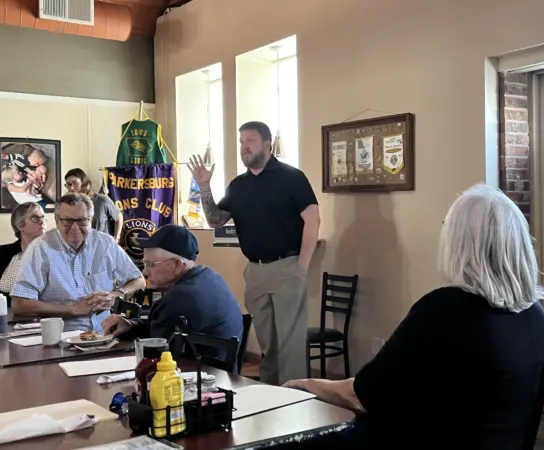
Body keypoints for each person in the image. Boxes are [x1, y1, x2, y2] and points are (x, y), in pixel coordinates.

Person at [281, 184, 544, 450]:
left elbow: (362, 396)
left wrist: (307, 385)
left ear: (459, 243)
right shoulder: (536, 319)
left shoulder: (444, 310)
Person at [189, 121, 320, 385]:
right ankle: (270, 396)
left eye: (250, 141)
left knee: (290, 345)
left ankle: (297, 400)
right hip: (255, 271)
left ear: (267, 144)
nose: (244, 147)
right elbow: (215, 220)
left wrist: (301, 267)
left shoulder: (291, 177)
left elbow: (313, 219)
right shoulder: (239, 185)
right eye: (241, 142)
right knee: (267, 346)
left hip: (287, 266)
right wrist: (204, 186)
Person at [101, 224, 243, 368]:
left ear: (177, 265)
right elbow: (159, 328)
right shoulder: (210, 277)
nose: (144, 272)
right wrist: (130, 325)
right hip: (221, 375)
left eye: (150, 264)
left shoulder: (179, 299)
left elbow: (155, 353)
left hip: (195, 377)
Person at [10, 193, 146, 332]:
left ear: (90, 220)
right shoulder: (40, 248)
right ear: (57, 221)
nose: (75, 228)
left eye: (81, 220)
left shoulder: (105, 243)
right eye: (67, 221)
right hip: (62, 337)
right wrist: (73, 309)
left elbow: (139, 281)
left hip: (107, 333)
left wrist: (115, 295)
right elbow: (20, 304)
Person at [0, 203, 47, 307]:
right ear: (20, 225)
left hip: (41, 314)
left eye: (43, 217)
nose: (42, 221)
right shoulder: (3, 253)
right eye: (35, 218)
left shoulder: (54, 254)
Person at [64, 168, 123, 241]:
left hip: (103, 245)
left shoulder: (102, 201)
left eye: (75, 183)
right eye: (69, 184)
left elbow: (119, 217)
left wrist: (116, 238)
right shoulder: (70, 204)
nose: (71, 188)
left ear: (84, 183)